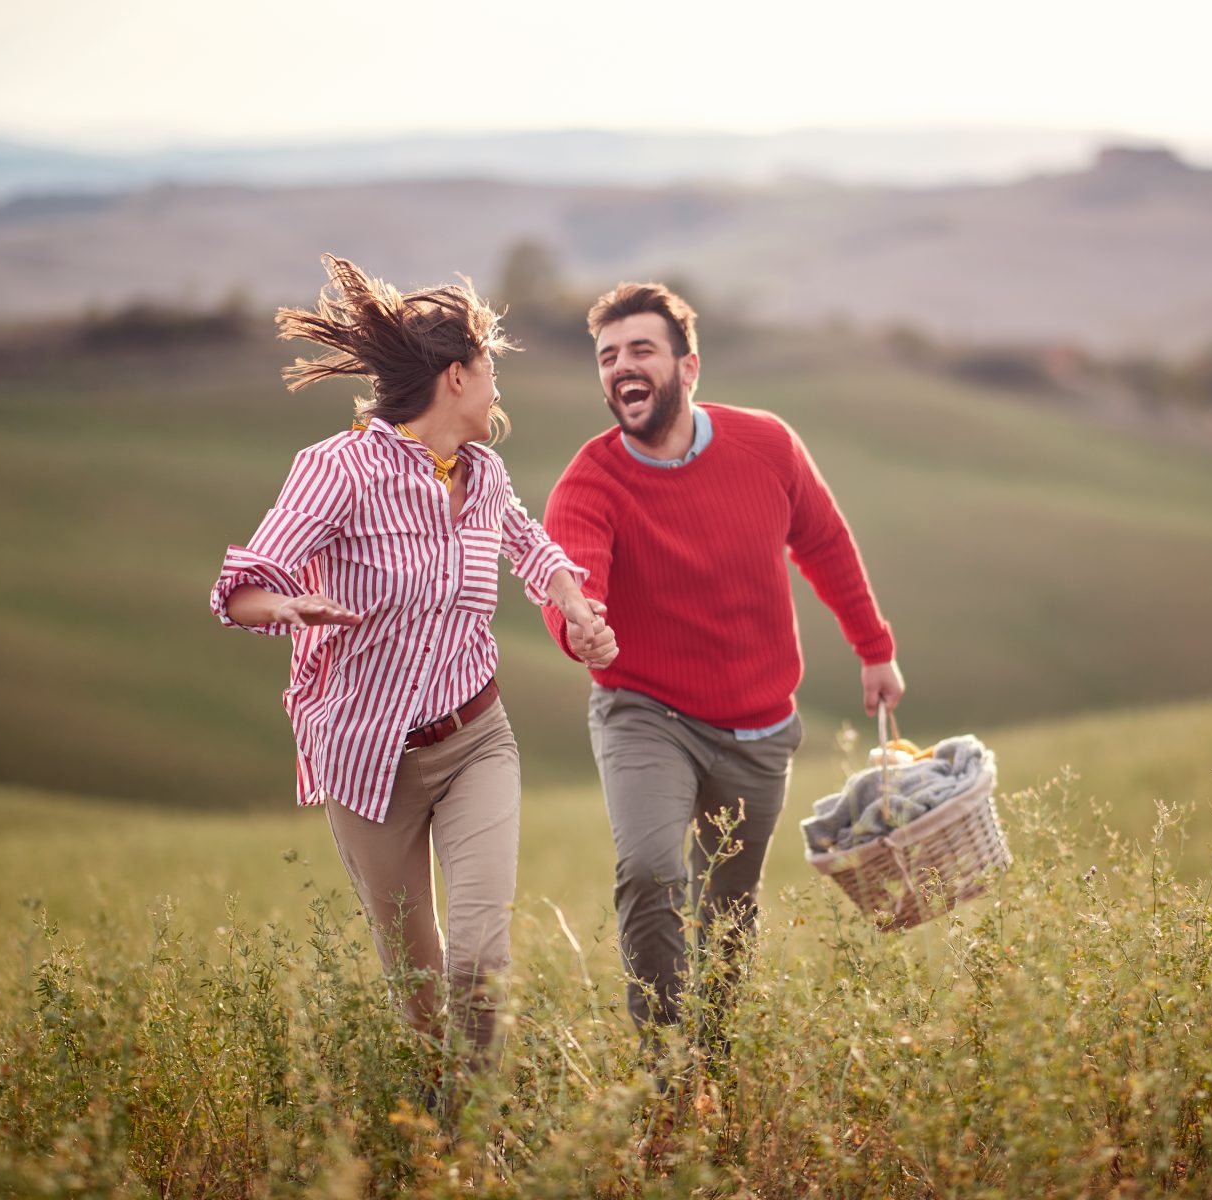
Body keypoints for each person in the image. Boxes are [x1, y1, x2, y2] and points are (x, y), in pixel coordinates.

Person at [209, 255, 617, 1062]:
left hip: (475, 737)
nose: (499, 384)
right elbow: (245, 584)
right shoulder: (340, 470)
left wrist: (572, 599)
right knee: (419, 986)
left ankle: (479, 1122)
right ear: (457, 378)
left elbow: (529, 544)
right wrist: (285, 605)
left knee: (478, 958)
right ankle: (440, 1119)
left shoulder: (485, 474)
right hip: (369, 758)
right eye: (491, 367)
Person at [541, 282, 904, 1043]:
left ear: (688, 366)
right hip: (644, 711)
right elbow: (572, 580)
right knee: (649, 869)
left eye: (641, 349)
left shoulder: (767, 444)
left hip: (759, 727)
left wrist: (874, 649)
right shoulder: (590, 479)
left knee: (728, 912)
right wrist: (583, 627)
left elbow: (825, 544)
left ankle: (711, 1061)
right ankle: (663, 1065)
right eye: (607, 357)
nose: (621, 366)